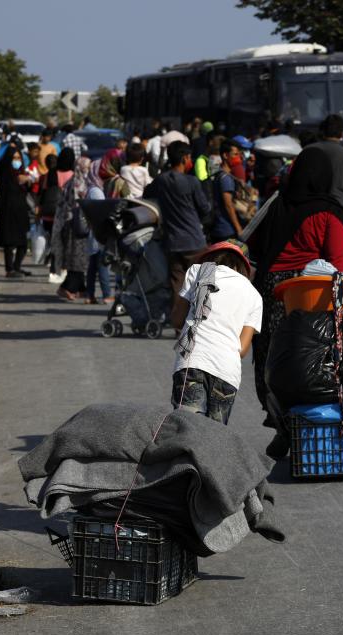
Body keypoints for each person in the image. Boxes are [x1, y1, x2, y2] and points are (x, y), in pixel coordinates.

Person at [249, 144, 343, 457]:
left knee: (273, 356)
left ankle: (281, 422)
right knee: (312, 360)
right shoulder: (329, 212)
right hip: (309, 291)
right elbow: (340, 265)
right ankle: (307, 424)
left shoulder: (276, 203)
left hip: (270, 289)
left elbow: (255, 247)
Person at [170, 240, 262, 425]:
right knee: (214, 440)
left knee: (187, 432)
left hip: (193, 361)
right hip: (227, 371)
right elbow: (242, 349)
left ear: (212, 256)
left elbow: (177, 319)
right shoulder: (254, 295)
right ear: (243, 265)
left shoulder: (197, 271)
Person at [144, 141, 211, 312]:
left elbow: (146, 194)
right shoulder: (192, 182)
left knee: (177, 282)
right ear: (184, 159)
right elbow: (205, 208)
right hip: (194, 241)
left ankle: (178, 323)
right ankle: (197, 319)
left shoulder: (162, 180)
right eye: (189, 158)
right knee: (200, 281)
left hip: (172, 242)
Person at [305, 114, 343, 225]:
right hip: (337, 213)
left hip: (310, 214)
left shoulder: (307, 151)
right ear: (342, 133)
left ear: (323, 131)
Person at [51, 148, 91, 299]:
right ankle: (68, 287)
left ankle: (80, 288)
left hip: (73, 224)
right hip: (75, 224)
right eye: (86, 168)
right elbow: (76, 205)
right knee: (76, 257)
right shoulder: (76, 184)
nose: (88, 170)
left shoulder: (74, 181)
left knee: (78, 257)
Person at [0, 146, 34, 277]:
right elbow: (4, 190)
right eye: (14, 158)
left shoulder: (21, 173)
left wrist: (27, 181)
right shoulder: (4, 174)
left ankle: (17, 267)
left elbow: (26, 191)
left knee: (22, 242)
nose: (17, 161)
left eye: (18, 158)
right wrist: (18, 181)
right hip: (8, 211)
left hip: (20, 210)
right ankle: (9, 269)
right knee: (9, 242)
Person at [83, 160, 114, 304]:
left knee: (93, 265)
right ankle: (107, 294)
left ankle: (90, 295)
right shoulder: (96, 191)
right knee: (102, 264)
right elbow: (102, 211)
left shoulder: (93, 188)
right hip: (98, 233)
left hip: (94, 233)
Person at [210, 139, 244, 242]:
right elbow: (228, 205)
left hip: (221, 227)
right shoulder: (226, 178)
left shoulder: (220, 174)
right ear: (225, 155)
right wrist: (238, 228)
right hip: (226, 230)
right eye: (235, 154)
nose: (238, 158)